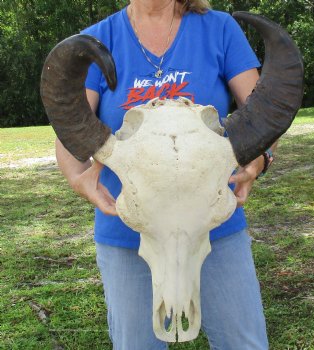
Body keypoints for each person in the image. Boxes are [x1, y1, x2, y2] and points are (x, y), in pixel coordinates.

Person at [55, 0, 274, 348]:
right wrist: (77, 177)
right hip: (127, 233)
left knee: (244, 343)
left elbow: (262, 113)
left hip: (215, 229)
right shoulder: (95, 41)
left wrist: (260, 158)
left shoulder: (219, 29)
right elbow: (69, 123)